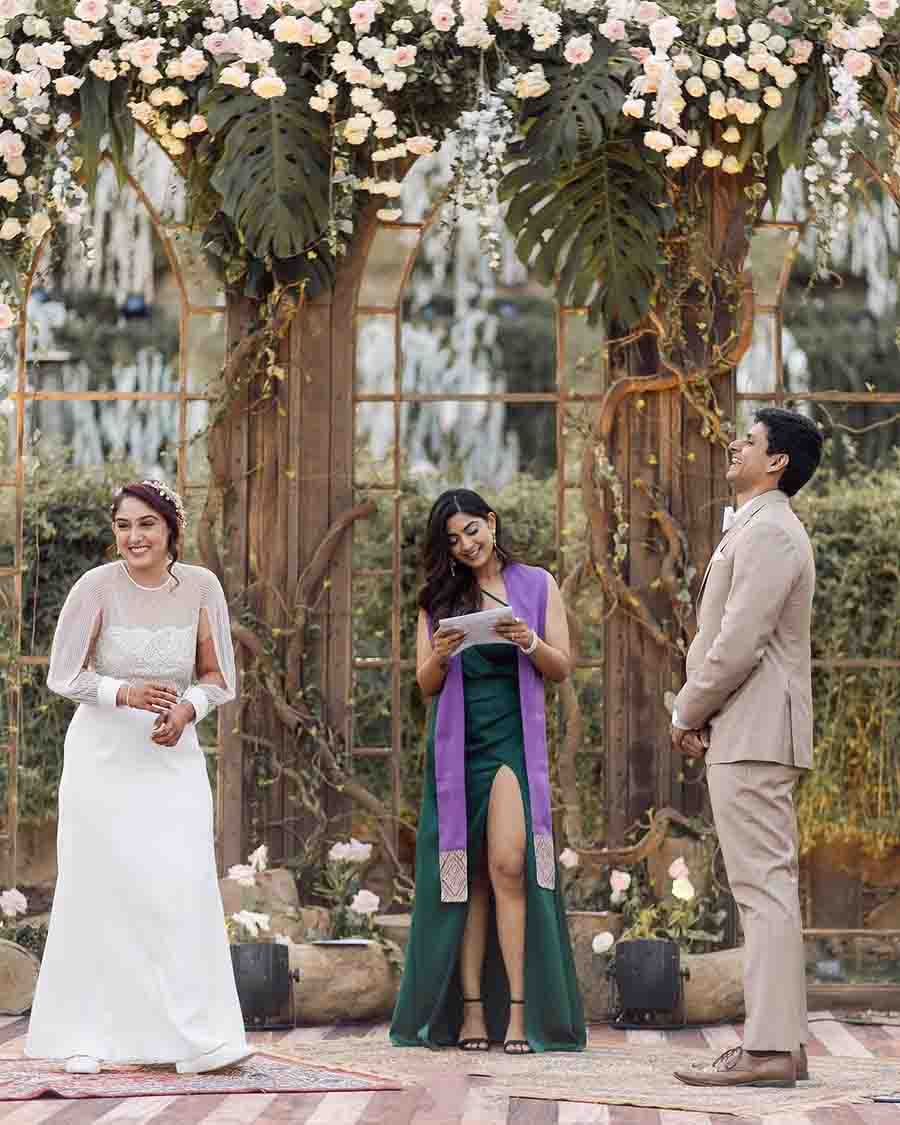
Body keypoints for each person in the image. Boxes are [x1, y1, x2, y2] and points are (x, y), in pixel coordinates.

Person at [25, 480, 251, 1075]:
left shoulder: (201, 587)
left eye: (146, 524)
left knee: (178, 886)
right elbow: (62, 675)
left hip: (171, 759)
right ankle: (85, 1036)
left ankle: (193, 1036)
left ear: (170, 529)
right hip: (103, 758)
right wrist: (122, 692)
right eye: (124, 526)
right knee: (100, 889)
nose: (134, 537)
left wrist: (186, 711)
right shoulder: (95, 588)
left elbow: (218, 677)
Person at [390, 489, 585, 1054]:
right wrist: (442, 654)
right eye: (452, 539)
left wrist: (529, 640)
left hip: (512, 742)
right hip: (457, 746)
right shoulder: (437, 598)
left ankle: (521, 1014)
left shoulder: (537, 584)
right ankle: (472, 1012)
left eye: (472, 530)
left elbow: (563, 667)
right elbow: (424, 685)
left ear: (491, 523)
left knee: (508, 865)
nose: (466, 545)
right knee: (469, 876)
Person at [670, 408, 823, 1089]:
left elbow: (739, 640)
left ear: (777, 460)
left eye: (749, 439)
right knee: (767, 890)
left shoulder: (771, 533)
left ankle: (767, 1049)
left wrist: (687, 706)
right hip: (750, 725)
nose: (734, 443)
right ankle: (781, 1042)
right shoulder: (760, 528)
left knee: (763, 891)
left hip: (756, 728)